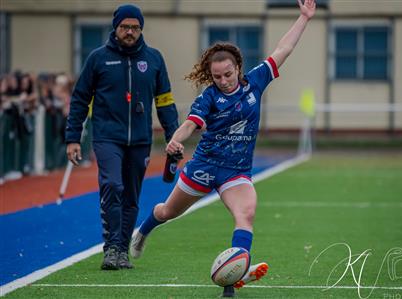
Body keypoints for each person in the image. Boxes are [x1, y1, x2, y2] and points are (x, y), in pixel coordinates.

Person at [131, 0, 315, 294]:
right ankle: (144, 230)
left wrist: (304, 18)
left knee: (246, 214)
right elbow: (191, 124)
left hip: (235, 171)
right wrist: (177, 139)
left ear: (238, 67)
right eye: (217, 77)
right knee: (167, 212)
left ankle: (231, 284)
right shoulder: (209, 97)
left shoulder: (255, 82)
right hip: (204, 167)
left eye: (228, 74)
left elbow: (283, 50)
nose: (223, 81)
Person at [65, 4, 179, 270]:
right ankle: (111, 248)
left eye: (135, 28)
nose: (130, 32)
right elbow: (80, 99)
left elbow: (165, 101)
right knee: (113, 186)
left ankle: (122, 251)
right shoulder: (98, 58)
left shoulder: (153, 59)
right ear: (115, 28)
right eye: (125, 27)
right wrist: (72, 137)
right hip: (107, 136)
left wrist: (173, 136)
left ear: (141, 29)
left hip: (140, 139)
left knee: (131, 197)